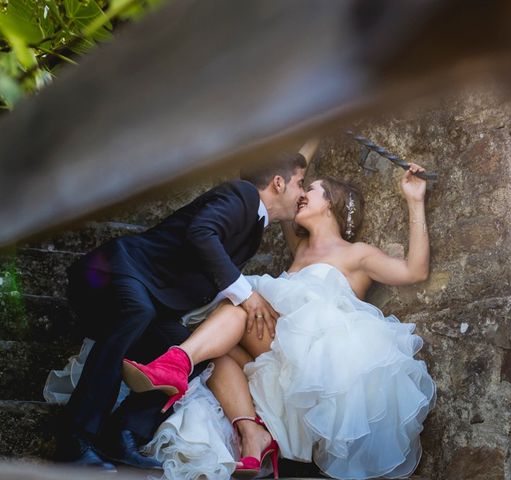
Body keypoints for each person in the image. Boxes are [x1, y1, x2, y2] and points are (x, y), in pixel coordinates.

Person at [123, 164, 437, 479]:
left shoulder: (357, 255)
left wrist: (414, 199)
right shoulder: (298, 248)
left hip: (315, 359)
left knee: (241, 306)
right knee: (219, 350)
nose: (300, 194)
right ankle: (252, 436)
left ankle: (178, 361)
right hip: (275, 354)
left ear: (329, 202)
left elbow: (415, 272)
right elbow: (289, 169)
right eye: (301, 186)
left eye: (310, 189)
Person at [56, 140, 318, 472]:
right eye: (299, 183)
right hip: (118, 270)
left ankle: (122, 433)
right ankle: (74, 438)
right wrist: (245, 294)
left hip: (152, 298)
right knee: (137, 311)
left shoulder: (253, 226)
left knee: (188, 356)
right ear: (278, 183)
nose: (302, 193)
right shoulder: (242, 196)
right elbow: (201, 232)